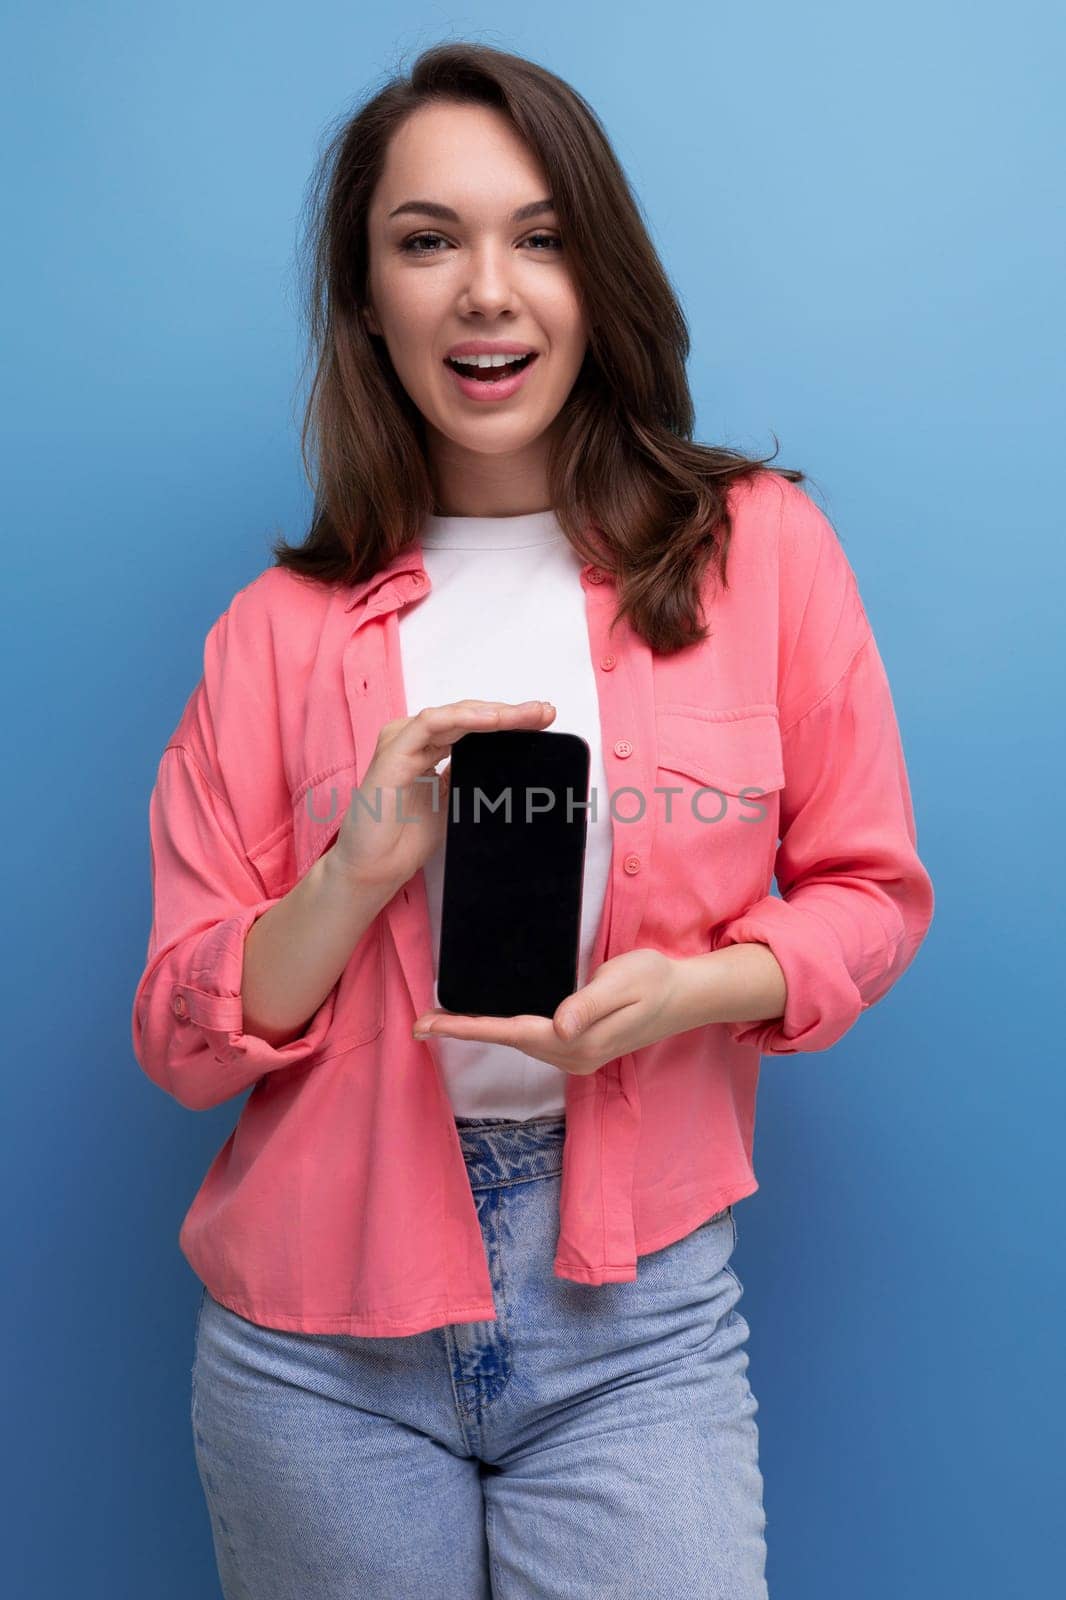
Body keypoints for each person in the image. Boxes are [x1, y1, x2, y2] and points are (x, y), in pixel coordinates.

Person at [132, 41, 935, 1600]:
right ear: (368, 298)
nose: (485, 289)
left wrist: (693, 990)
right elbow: (182, 1041)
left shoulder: (756, 552)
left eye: (540, 236)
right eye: (425, 240)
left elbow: (867, 894)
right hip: (314, 1340)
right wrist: (357, 872)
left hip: (635, 1315)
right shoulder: (274, 633)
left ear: (598, 278)